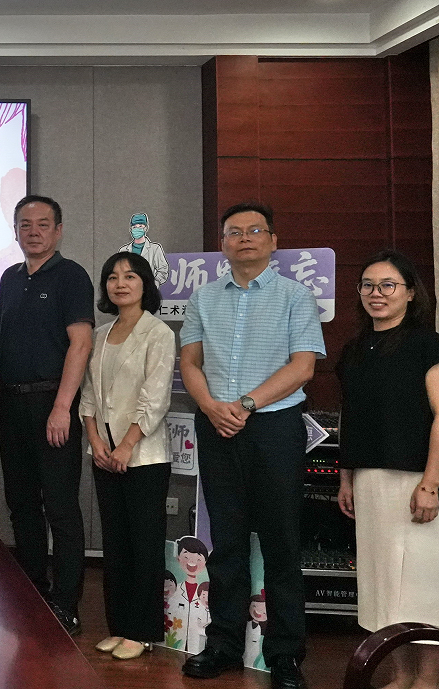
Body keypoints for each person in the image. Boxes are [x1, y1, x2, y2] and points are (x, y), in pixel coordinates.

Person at [179, 202, 325, 689]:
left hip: (274, 427)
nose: (244, 238)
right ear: (222, 244)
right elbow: (190, 363)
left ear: (273, 241)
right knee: (227, 541)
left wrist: (245, 403)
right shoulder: (204, 297)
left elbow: (303, 367)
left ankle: (285, 655)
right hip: (217, 426)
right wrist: (210, 407)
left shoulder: (295, 296)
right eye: (234, 232)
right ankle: (222, 644)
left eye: (255, 230)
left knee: (282, 543)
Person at [336, 249, 439, 689]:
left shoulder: (428, 344)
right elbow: (350, 417)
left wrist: (431, 483)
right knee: (382, 588)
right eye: (368, 285)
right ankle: (401, 675)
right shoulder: (355, 350)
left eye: (388, 285)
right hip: (369, 480)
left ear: (411, 293)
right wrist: (346, 477)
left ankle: (428, 679)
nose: (376, 293)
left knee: (420, 588)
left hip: (416, 479)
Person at [0, 194, 94, 634]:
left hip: (52, 404)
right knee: (21, 505)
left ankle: (66, 603)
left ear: (58, 230)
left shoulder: (71, 276)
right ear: (15, 230)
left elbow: (81, 344)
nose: (33, 232)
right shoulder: (9, 278)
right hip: (10, 404)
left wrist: (61, 408)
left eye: (42, 224)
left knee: (60, 507)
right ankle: (32, 590)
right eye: (25, 224)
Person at [80, 251, 176, 661]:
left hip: (144, 456)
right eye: (113, 277)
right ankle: (119, 626)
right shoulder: (101, 334)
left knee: (144, 544)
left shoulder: (159, 332)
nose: (120, 283)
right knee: (115, 544)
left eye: (130, 276)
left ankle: (143, 631)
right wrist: (96, 441)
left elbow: (156, 398)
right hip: (104, 454)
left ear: (145, 284)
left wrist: (126, 444)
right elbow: (88, 394)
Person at [119, 212, 168, 286]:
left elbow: (163, 269)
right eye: (134, 227)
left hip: (147, 288)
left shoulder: (155, 249)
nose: (137, 229)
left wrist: (155, 283)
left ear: (146, 228)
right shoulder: (123, 250)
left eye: (140, 226)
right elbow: (119, 271)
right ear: (131, 229)